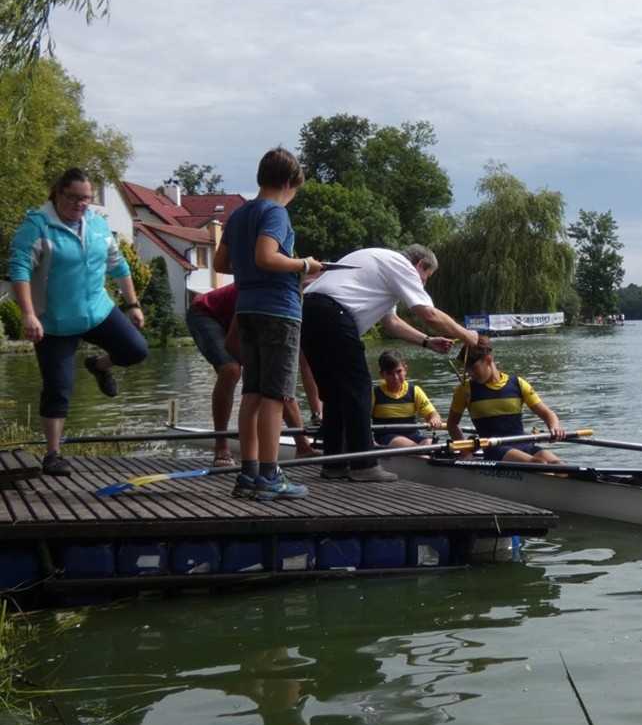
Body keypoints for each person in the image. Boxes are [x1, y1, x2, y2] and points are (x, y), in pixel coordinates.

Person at [7, 167, 149, 477]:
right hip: (54, 322)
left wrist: (133, 304)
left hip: (97, 312)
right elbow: (19, 270)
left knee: (136, 349)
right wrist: (29, 314)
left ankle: (99, 366)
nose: (80, 204)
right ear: (58, 193)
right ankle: (53, 454)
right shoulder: (37, 226)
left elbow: (118, 265)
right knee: (58, 388)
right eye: (74, 198)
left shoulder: (97, 224)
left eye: (86, 199)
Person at [300, 244, 477, 482]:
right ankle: (364, 465)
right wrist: (467, 336)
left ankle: (335, 464)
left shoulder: (380, 263)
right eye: (426, 277)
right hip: (333, 314)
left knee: (334, 394)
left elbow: (391, 321)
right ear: (420, 265)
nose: (424, 284)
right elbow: (429, 314)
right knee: (359, 388)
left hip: (309, 310)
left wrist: (427, 342)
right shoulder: (402, 266)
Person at [212, 146, 319, 501]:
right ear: (289, 182)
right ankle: (271, 476)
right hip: (278, 312)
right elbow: (266, 257)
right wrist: (305, 265)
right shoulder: (275, 212)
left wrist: (252, 269)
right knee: (276, 394)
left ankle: (249, 473)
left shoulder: (239, 214)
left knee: (253, 392)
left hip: (246, 309)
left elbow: (220, 264)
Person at [186, 282, 323, 466]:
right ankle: (222, 448)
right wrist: (261, 371)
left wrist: (317, 412)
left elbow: (306, 367)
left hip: (247, 319)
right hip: (205, 313)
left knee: (277, 378)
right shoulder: (267, 292)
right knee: (231, 370)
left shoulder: (300, 311)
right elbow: (231, 342)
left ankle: (303, 448)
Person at [446, 336, 566, 464]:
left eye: (474, 368)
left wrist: (554, 427)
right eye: (468, 370)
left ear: (489, 360)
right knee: (539, 463)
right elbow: (452, 423)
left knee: (559, 464)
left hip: (522, 443)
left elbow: (546, 413)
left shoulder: (519, 384)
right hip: (494, 448)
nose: (471, 374)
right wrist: (465, 452)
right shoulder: (465, 390)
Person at [371, 349, 443, 447]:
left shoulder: (414, 391)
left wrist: (435, 419)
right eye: (390, 373)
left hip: (413, 435)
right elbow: (361, 421)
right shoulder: (374, 394)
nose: (396, 377)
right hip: (385, 438)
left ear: (405, 369)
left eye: (398, 371)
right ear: (382, 374)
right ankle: (422, 454)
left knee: (431, 444)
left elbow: (433, 414)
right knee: (412, 447)